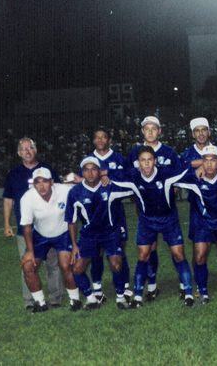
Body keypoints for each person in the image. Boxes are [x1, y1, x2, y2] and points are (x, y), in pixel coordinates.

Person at [109, 146, 194, 307]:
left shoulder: (166, 174)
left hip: (169, 219)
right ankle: (138, 296)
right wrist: (103, 176)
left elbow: (185, 167)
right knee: (143, 255)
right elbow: (112, 176)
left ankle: (189, 293)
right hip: (147, 221)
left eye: (149, 160)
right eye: (143, 160)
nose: (146, 164)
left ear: (155, 161)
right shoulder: (133, 176)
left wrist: (202, 165)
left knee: (178, 254)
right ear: (138, 163)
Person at [172, 145, 217, 303]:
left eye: (213, 160)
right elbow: (173, 172)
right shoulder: (194, 178)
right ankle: (203, 292)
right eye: (205, 161)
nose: (209, 164)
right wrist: (193, 168)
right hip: (203, 222)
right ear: (202, 162)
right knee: (199, 256)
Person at [180, 118, 217, 298]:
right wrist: (199, 165)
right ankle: (200, 286)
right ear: (192, 133)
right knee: (199, 249)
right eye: (197, 130)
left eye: (204, 130)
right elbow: (180, 173)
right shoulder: (187, 153)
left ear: (209, 131)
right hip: (199, 209)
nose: (201, 133)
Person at [3, 138, 64, 309]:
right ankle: (31, 301)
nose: (27, 151)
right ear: (18, 153)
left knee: (53, 264)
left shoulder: (47, 169)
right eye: (23, 149)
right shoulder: (13, 174)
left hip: (49, 227)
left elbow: (59, 191)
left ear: (35, 150)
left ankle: (55, 298)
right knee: (28, 264)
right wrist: (7, 224)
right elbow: (8, 200)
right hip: (26, 229)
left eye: (30, 147)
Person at [125, 116, 182, 296]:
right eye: (146, 129)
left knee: (176, 249)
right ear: (142, 131)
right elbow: (127, 176)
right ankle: (152, 285)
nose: (150, 132)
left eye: (154, 128)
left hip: (167, 210)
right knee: (149, 247)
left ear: (159, 131)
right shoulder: (134, 152)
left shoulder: (169, 152)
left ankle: (183, 285)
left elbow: (179, 175)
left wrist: (175, 189)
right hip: (145, 209)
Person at [66, 157, 131, 309]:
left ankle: (121, 297)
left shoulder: (109, 186)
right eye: (86, 170)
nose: (90, 173)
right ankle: (91, 298)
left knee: (116, 263)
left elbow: (130, 180)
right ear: (82, 172)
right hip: (89, 236)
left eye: (94, 169)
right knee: (77, 268)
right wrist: (75, 245)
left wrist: (111, 175)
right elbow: (72, 221)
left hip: (110, 233)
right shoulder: (75, 192)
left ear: (99, 171)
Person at [19, 168, 80, 312]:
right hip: (40, 235)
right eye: (37, 182)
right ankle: (40, 303)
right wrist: (29, 251)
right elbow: (27, 227)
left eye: (45, 181)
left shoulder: (65, 191)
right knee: (28, 266)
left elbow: (72, 221)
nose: (41, 186)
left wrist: (74, 244)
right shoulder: (27, 198)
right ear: (33, 184)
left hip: (63, 233)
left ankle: (75, 300)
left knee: (66, 265)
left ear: (52, 182)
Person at [85, 128, 130, 303]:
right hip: (94, 213)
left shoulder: (119, 158)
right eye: (97, 137)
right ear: (93, 141)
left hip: (116, 212)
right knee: (97, 251)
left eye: (104, 137)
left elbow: (128, 180)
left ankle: (124, 286)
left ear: (109, 139)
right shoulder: (89, 160)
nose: (101, 140)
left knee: (120, 249)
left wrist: (109, 176)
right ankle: (97, 289)